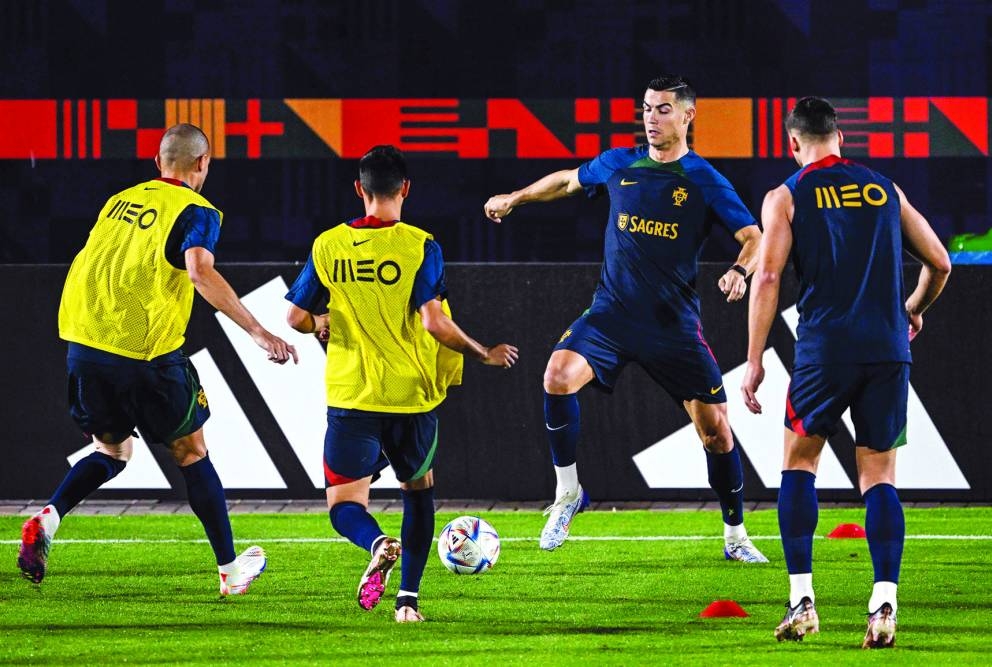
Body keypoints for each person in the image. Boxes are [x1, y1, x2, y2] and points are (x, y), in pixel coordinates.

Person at [483, 75, 768, 561]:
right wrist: (516, 198)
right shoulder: (620, 162)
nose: (651, 119)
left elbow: (754, 236)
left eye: (661, 110)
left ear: (686, 116)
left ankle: (736, 536)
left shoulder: (703, 179)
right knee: (556, 375)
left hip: (672, 325)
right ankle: (568, 492)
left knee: (716, 432)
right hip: (612, 314)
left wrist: (741, 271)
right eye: (646, 109)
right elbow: (568, 181)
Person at [18, 123, 299, 596]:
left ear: (157, 162)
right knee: (191, 452)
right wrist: (257, 330)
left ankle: (49, 517)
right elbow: (199, 271)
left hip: (86, 347)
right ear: (203, 164)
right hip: (145, 355)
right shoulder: (197, 210)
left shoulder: (119, 200)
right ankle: (231, 572)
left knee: (113, 450)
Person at [741, 97, 951, 647]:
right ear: (840, 138)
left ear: (793, 143)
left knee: (799, 464)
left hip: (822, 352)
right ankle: (884, 604)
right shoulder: (885, 189)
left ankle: (802, 601)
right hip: (886, 351)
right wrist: (913, 309)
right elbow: (941, 262)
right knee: (879, 478)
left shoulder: (785, 196)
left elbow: (766, 278)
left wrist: (756, 358)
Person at [285, 145, 518, 623]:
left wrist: (322, 322)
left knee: (343, 506)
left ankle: (375, 542)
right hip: (411, 397)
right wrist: (483, 353)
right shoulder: (420, 245)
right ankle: (408, 602)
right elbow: (434, 322)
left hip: (352, 397)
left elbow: (295, 317)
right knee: (418, 491)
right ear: (405, 189)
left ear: (359, 190)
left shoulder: (329, 244)